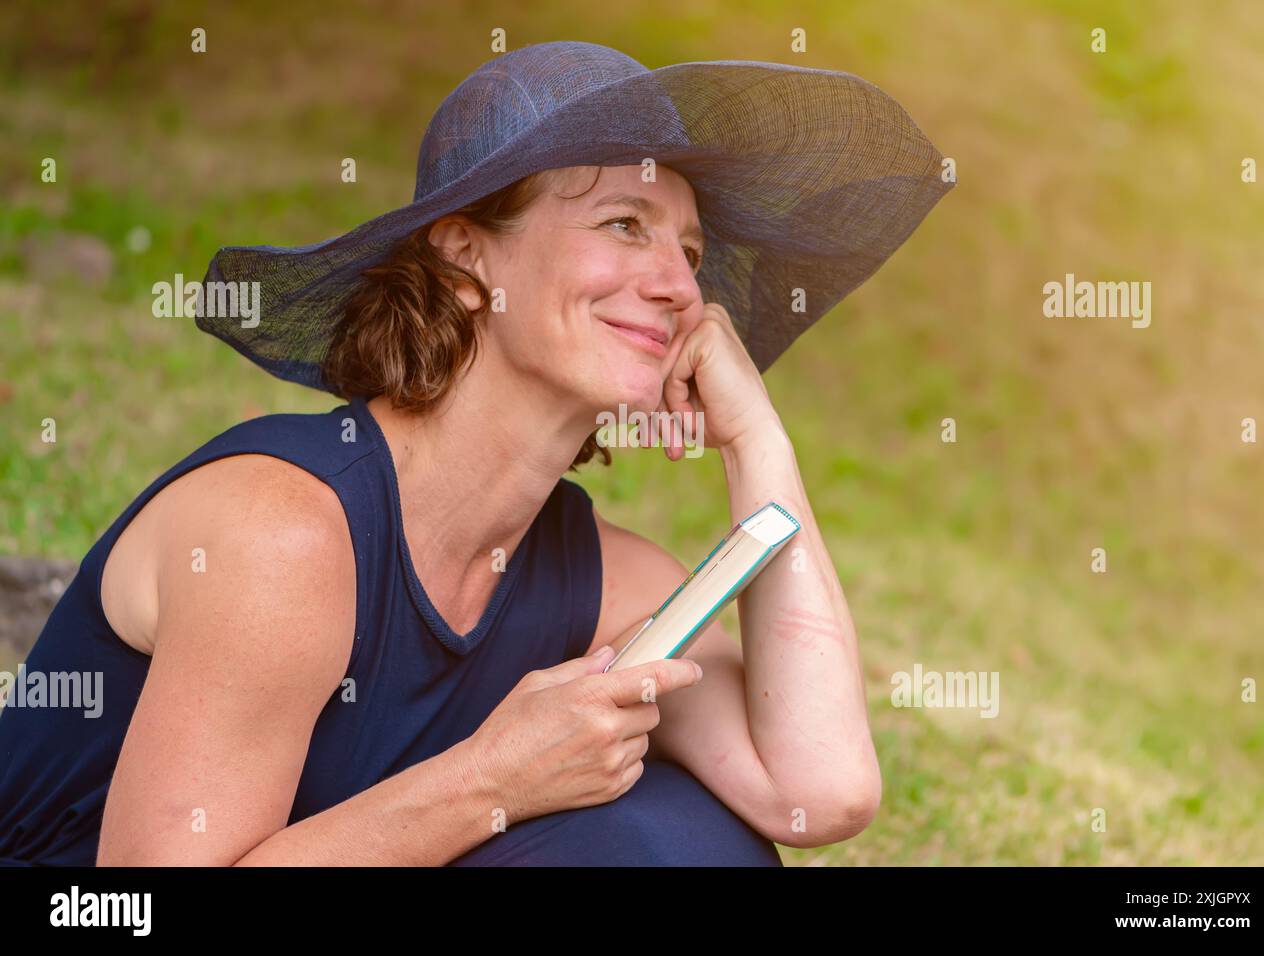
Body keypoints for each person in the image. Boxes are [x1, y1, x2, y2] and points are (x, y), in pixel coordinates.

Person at [0, 40, 951, 866]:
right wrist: (494, 778)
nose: (676, 286)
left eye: (692, 255)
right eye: (625, 224)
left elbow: (817, 794)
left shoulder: (604, 584)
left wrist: (760, 445)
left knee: (678, 839)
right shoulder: (284, 533)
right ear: (465, 258)